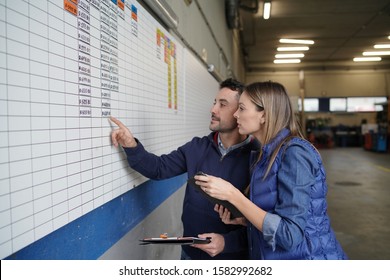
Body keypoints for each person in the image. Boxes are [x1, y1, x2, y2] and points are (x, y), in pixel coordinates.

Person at [195, 81, 348, 260]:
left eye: (242, 108)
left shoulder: (295, 153)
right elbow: (275, 217)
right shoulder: (265, 155)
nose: (236, 114)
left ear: (264, 115)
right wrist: (246, 219)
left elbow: (290, 235)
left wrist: (232, 195)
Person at [110, 78, 260, 260]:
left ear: (239, 112)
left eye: (223, 104)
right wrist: (131, 144)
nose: (213, 110)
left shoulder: (257, 157)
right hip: (190, 254)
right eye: (214, 103)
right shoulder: (197, 147)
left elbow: (262, 223)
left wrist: (227, 243)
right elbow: (158, 168)